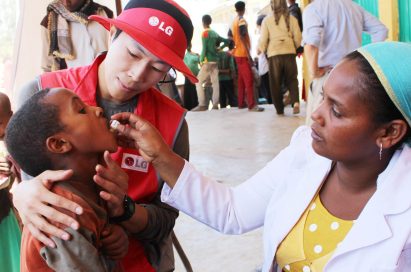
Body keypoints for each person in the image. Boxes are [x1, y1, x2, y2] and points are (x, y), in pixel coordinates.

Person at [111, 42, 411, 271]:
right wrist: (161, 155)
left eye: (337, 111)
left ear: (389, 133)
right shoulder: (305, 152)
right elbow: (233, 212)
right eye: (322, 97)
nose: (316, 116)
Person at [13, 0, 197, 271]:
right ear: (112, 35)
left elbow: (166, 219)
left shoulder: (173, 123)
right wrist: (23, 194)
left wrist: (125, 211)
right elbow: (33, 180)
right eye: (133, 54)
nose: (137, 75)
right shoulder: (43, 94)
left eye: (157, 69)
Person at [6, 88, 125, 271]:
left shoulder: (93, 187)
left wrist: (114, 235)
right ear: (60, 144)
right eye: (82, 110)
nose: (98, 110)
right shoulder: (65, 216)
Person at [303, 0, 388, 125]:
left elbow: (311, 43)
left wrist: (314, 71)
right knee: (344, 123)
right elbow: (381, 30)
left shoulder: (314, 8)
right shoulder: (355, 8)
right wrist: (368, 59)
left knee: (317, 126)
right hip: (352, 76)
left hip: (327, 77)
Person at [40, 0, 114, 72]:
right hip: (72, 83)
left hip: (105, 80)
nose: (65, 1)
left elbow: (116, 52)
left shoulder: (106, 14)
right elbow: (48, 68)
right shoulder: (50, 22)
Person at [258, 0, 302, 115]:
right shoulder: (292, 18)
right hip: (289, 51)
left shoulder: (266, 20)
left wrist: (261, 49)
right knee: (292, 79)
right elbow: (298, 37)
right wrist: (296, 46)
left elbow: (263, 39)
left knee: (275, 82)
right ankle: (296, 102)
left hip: (274, 53)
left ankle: (279, 109)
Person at [229, 1, 264, 112]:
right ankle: (252, 105)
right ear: (244, 9)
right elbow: (243, 36)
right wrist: (248, 54)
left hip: (237, 54)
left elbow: (229, 36)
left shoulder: (234, 21)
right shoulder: (241, 20)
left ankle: (241, 103)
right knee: (248, 80)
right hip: (243, 54)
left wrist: (234, 47)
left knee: (241, 80)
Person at [0, 92, 21, 272]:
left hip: (5, 219)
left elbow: (10, 181)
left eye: (0, 123)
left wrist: (12, 174)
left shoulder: (15, 144)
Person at [191, 14, 230, 111]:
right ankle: (215, 105)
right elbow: (227, 41)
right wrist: (220, 48)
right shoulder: (215, 33)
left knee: (198, 82)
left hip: (207, 62)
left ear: (203, 22)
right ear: (210, 22)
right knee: (215, 83)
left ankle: (202, 104)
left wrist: (201, 60)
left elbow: (204, 48)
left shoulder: (205, 33)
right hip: (215, 62)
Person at [183, 43, 200, 110]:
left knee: (194, 91)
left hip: (195, 76)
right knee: (189, 92)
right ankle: (189, 107)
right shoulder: (185, 56)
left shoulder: (195, 55)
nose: (189, 47)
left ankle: (195, 106)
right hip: (187, 76)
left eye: (189, 46)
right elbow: (183, 67)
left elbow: (200, 61)